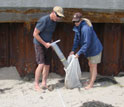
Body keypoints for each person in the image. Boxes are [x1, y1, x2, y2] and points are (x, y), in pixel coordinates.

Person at [33, 6, 64, 90]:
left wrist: (52, 43)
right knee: (41, 63)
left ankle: (44, 83)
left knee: (47, 64)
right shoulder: (44, 20)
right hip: (39, 44)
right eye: (58, 16)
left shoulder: (54, 22)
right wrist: (44, 43)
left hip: (48, 44)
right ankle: (36, 84)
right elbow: (35, 34)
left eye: (60, 17)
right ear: (53, 12)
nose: (59, 18)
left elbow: (49, 34)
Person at [69, 12, 103, 90]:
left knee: (93, 66)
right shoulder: (77, 27)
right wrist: (73, 50)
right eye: (74, 21)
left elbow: (86, 43)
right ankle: (90, 80)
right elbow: (76, 40)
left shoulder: (85, 28)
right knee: (90, 64)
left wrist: (78, 53)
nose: (75, 23)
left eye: (77, 21)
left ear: (80, 20)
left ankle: (91, 84)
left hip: (95, 49)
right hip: (88, 50)